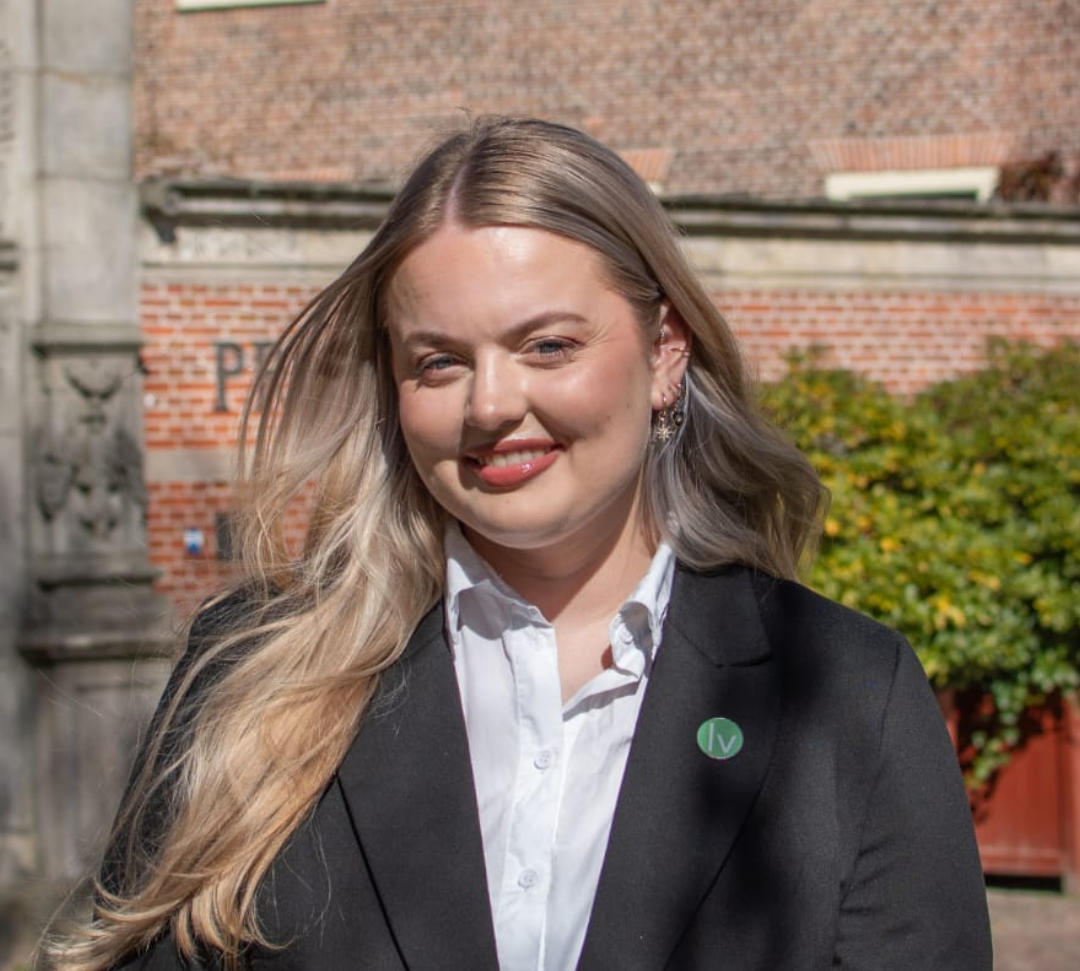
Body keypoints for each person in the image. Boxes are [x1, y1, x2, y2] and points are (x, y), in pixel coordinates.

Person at [43, 116, 992, 971]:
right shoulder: (251, 678)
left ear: (666, 351)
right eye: (439, 361)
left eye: (548, 346)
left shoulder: (848, 694)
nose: (491, 404)